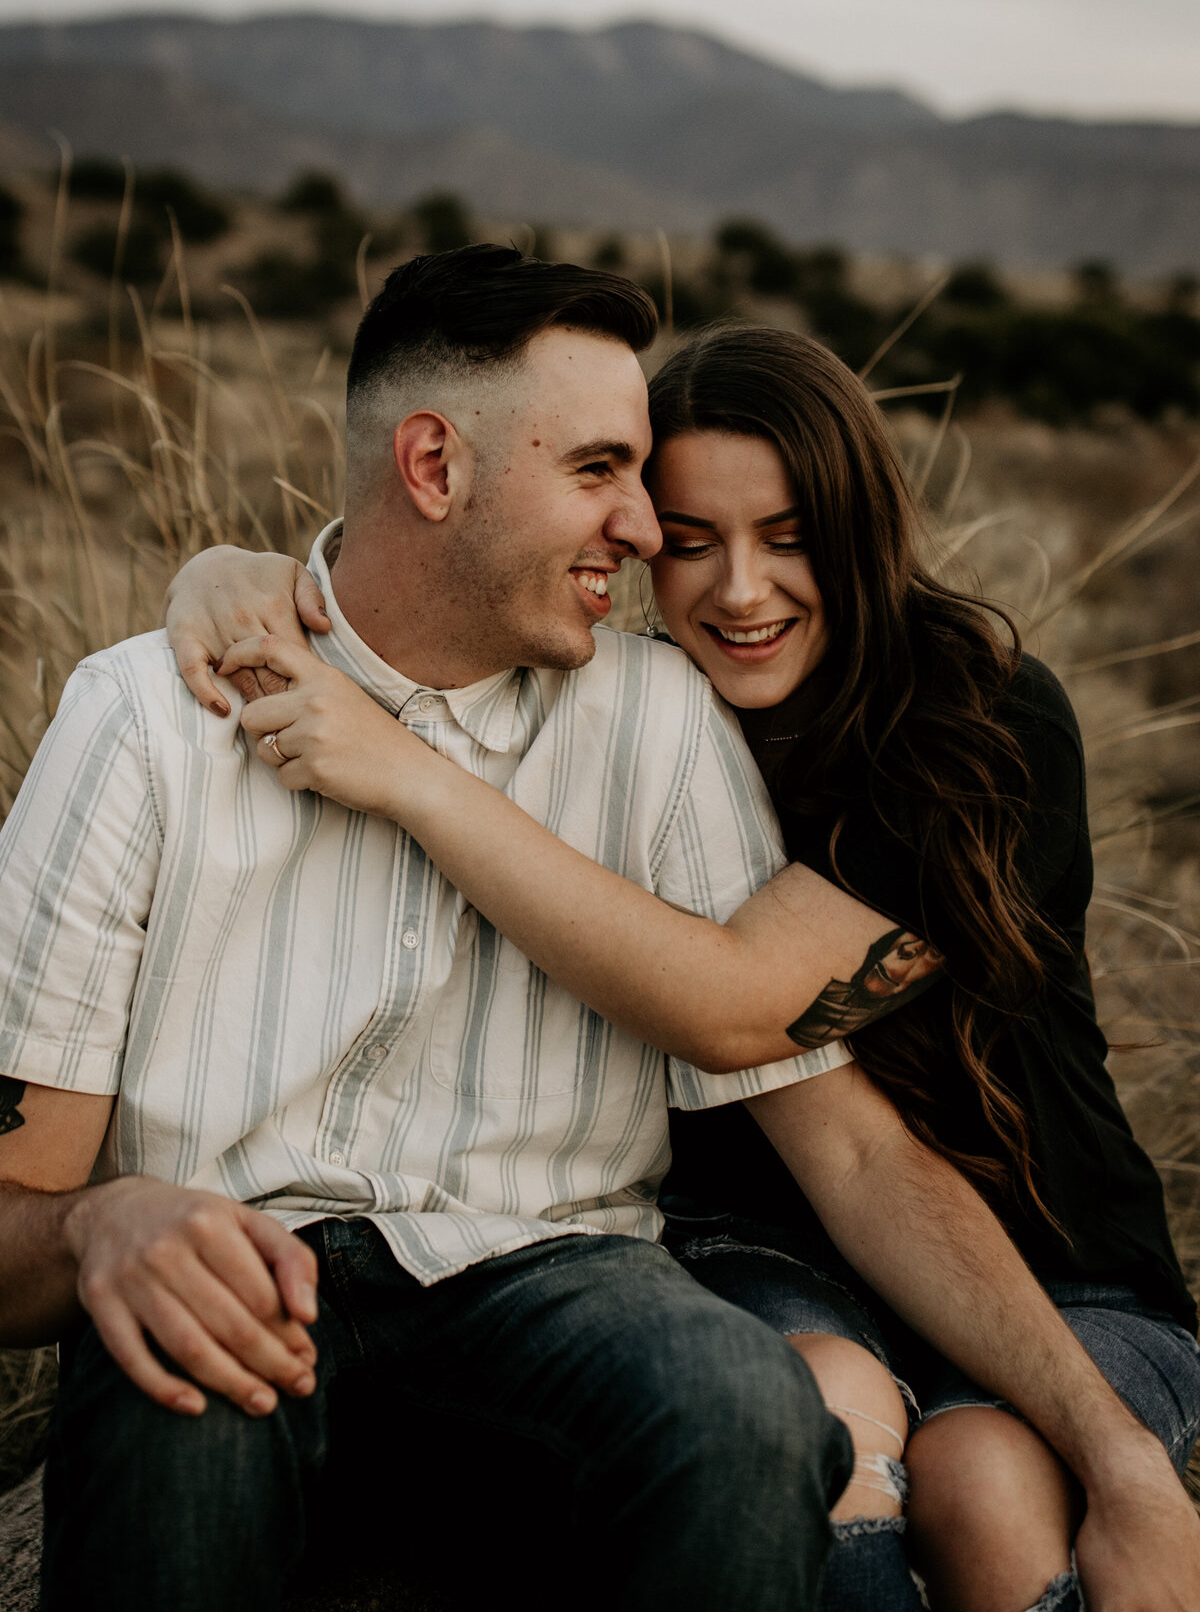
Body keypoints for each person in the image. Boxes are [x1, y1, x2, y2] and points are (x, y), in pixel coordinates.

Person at [167, 310, 1200, 1612]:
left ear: (862, 527)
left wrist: (1129, 1467)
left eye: (788, 537)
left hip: (1053, 1255)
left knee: (983, 1480)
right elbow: (413, 609)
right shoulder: (643, 709)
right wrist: (227, 570)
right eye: (694, 541)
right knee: (823, 1420)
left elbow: (739, 1012)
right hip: (765, 1239)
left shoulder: (976, 721)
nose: (740, 592)